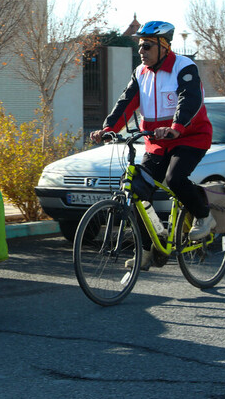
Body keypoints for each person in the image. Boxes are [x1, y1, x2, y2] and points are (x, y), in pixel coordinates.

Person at [90, 21, 215, 270]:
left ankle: (204, 216)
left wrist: (177, 127)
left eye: (146, 46)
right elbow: (126, 102)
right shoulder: (141, 73)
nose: (141, 51)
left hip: (191, 138)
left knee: (175, 179)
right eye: (139, 47)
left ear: (164, 46)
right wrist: (108, 129)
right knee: (136, 190)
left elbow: (189, 99)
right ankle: (150, 248)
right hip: (158, 143)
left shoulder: (183, 67)